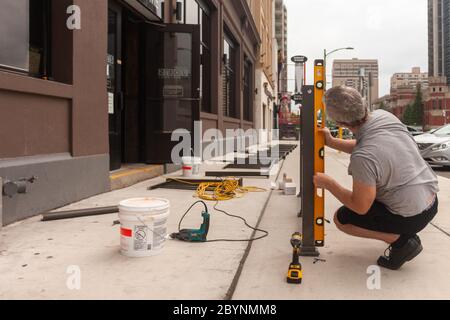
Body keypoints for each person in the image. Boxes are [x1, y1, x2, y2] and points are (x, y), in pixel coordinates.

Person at [314, 86, 439, 270]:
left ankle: (402, 241)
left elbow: (360, 206)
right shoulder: (384, 116)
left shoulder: (363, 157)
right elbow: (369, 145)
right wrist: (332, 142)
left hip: (413, 216)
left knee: (343, 219)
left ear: (340, 123)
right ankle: (402, 235)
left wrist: (329, 184)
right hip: (431, 202)